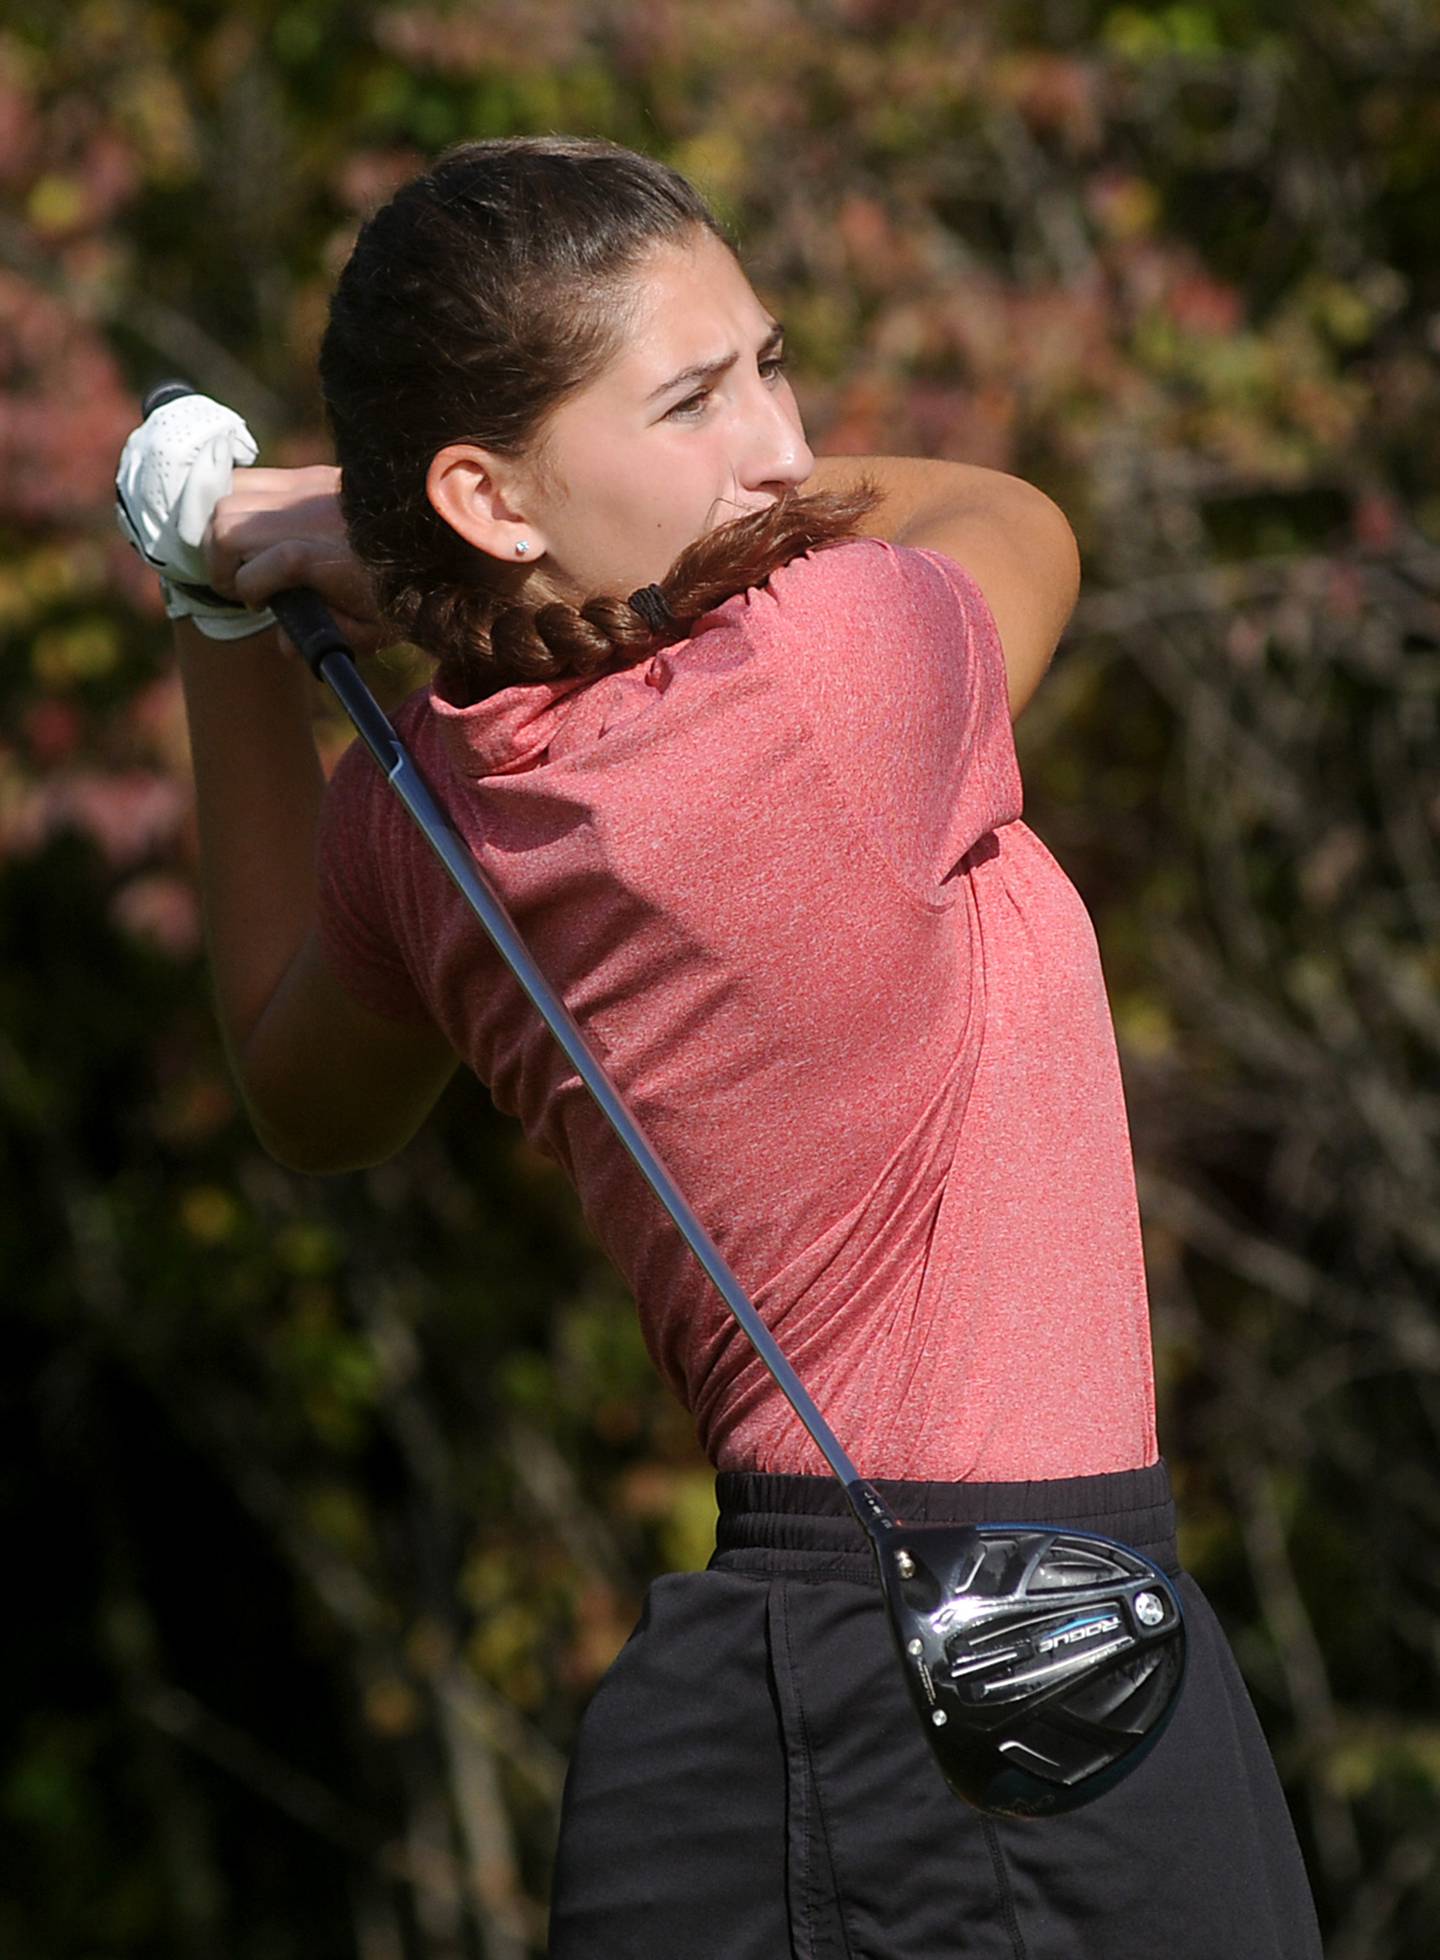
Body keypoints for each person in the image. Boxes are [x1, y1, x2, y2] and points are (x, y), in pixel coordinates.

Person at [119, 135, 1322, 1957]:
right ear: (489, 495)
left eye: (771, 365)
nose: (771, 442)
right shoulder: (826, 680)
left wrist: (221, 597)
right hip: (1005, 1706)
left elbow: (305, 1091)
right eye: (690, 399)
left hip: (787, 1696)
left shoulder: (423, 823)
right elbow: (1011, 516)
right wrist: (355, 537)